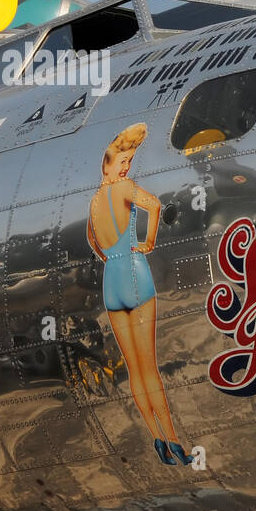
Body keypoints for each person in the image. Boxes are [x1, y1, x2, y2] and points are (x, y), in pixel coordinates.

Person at [86, 123, 191, 466]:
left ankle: (157, 438)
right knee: (149, 369)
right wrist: (148, 243)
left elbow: (92, 240)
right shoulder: (124, 189)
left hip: (111, 281)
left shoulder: (95, 201)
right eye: (123, 161)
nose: (126, 168)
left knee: (134, 370)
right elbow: (156, 206)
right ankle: (173, 440)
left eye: (129, 162)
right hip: (134, 270)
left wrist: (108, 257)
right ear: (109, 163)